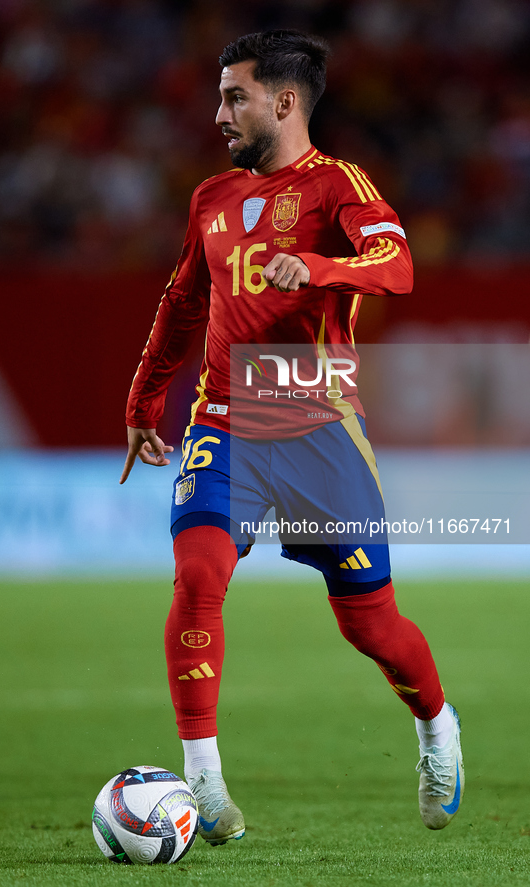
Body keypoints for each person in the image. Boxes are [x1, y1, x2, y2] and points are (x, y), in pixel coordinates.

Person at [120, 30, 464, 845]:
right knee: (198, 571)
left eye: (233, 96)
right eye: (219, 95)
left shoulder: (337, 186)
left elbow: (396, 265)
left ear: (283, 102)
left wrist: (322, 268)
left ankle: (437, 726)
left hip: (317, 426)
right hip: (225, 421)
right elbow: (180, 303)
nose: (217, 113)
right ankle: (202, 779)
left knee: (369, 625)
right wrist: (143, 397)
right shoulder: (209, 198)